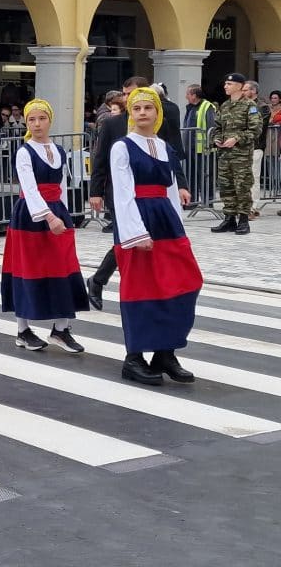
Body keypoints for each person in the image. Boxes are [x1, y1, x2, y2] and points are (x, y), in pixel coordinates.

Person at [111, 88, 202, 385]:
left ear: (157, 112)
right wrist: (137, 233)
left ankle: (165, 351)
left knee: (183, 282)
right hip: (138, 220)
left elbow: (172, 189)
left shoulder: (164, 146)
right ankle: (134, 357)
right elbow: (123, 192)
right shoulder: (122, 147)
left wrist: (179, 227)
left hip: (166, 220)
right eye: (136, 108)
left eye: (148, 108)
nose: (142, 113)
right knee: (140, 288)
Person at [87, 77, 191, 309]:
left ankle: (99, 279)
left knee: (150, 246)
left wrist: (181, 185)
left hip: (156, 198)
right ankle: (103, 282)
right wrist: (96, 191)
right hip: (120, 192)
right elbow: (101, 157)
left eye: (132, 94)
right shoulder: (113, 125)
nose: (128, 99)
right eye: (126, 96)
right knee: (126, 239)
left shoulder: (158, 123)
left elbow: (171, 159)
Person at [0, 99, 88, 353]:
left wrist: (65, 215)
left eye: (41, 119)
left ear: (50, 120)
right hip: (30, 215)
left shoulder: (59, 151)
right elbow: (28, 188)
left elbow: (60, 187)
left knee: (64, 267)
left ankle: (61, 329)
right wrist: (49, 217)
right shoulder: (24, 152)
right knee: (27, 268)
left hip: (56, 212)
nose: (37, 124)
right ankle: (22, 329)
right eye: (31, 120)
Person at [209, 73, 260, 235]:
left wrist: (237, 138)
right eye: (225, 84)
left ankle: (244, 220)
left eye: (229, 84)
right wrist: (217, 139)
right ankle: (229, 218)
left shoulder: (249, 106)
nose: (225, 87)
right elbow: (217, 127)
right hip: (225, 154)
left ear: (239, 86)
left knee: (242, 186)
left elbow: (255, 129)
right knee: (226, 186)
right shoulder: (224, 106)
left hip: (241, 155)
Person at [240, 79, 270, 217]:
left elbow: (257, 126)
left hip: (255, 146)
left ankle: (252, 207)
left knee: (253, 177)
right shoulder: (242, 104)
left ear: (253, 91)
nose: (243, 92)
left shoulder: (262, 107)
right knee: (243, 178)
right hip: (243, 146)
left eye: (245, 90)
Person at [182, 84, 216, 205]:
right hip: (190, 147)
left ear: (194, 95)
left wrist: (210, 144)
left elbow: (212, 127)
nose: (186, 96)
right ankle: (192, 201)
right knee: (191, 175)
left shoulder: (207, 107)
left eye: (188, 94)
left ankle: (208, 200)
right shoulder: (190, 107)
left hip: (203, 148)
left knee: (205, 175)